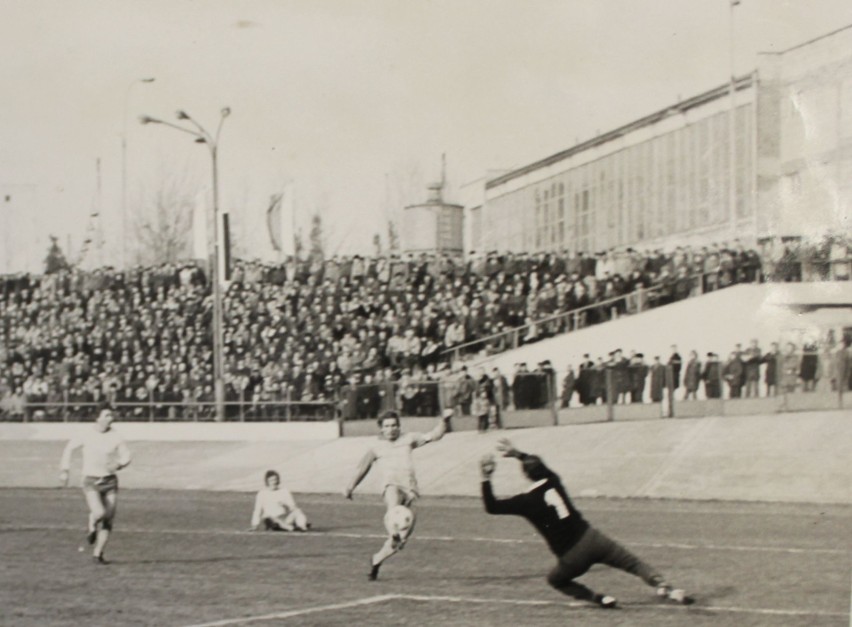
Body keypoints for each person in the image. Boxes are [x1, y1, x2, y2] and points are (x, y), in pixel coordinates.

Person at [480, 438, 693, 609]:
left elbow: (492, 507)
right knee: (633, 564)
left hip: (571, 556)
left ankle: (599, 598)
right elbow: (539, 467)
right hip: (592, 538)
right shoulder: (554, 481)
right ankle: (663, 586)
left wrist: (485, 477)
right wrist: (518, 454)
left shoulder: (525, 501)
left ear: (525, 475)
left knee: (556, 580)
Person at [343, 408, 452, 580]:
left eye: (394, 425)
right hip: (391, 486)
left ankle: (377, 560)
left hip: (410, 490)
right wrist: (350, 486)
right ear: (381, 429)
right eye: (387, 426)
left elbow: (435, 435)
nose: (391, 429)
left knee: (400, 541)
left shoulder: (409, 439)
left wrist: (444, 420)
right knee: (393, 507)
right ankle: (392, 530)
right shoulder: (375, 447)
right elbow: (362, 468)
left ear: (399, 426)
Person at [59, 408, 131, 564]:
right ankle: (92, 522)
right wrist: (65, 470)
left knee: (108, 519)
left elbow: (126, 455)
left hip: (110, 481)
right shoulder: (86, 434)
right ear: (97, 418)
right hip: (91, 480)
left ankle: (98, 554)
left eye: (111, 415)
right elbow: (69, 449)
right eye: (106, 415)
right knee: (99, 513)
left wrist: (119, 464)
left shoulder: (116, 436)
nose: (110, 418)